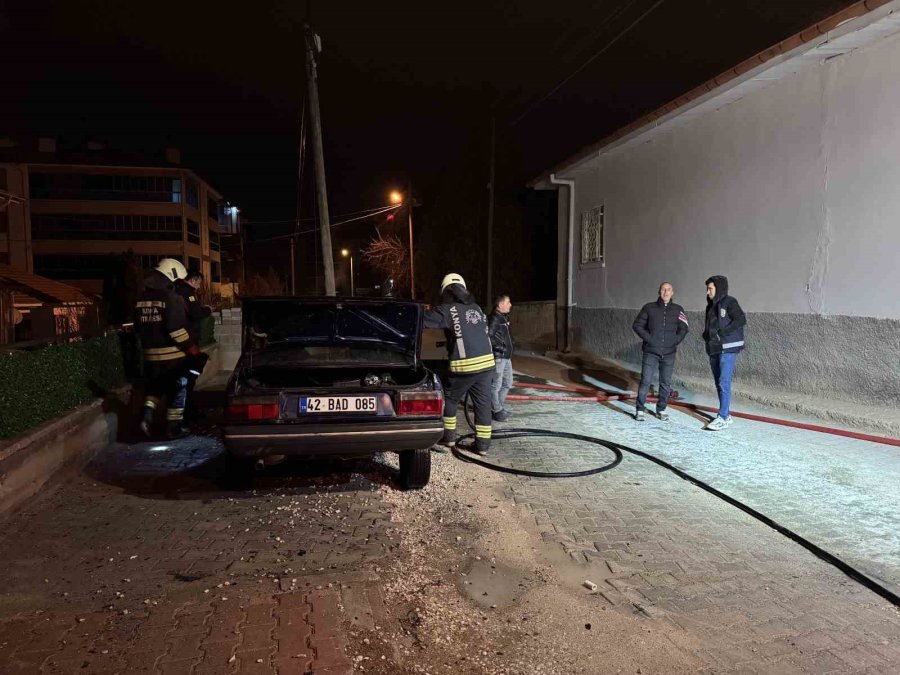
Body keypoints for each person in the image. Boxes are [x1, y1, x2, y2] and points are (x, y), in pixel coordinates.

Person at [424, 273, 495, 454]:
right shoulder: (477, 308)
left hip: (464, 366)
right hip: (487, 364)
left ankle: (448, 439)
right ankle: (483, 446)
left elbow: (424, 322)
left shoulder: (447, 309)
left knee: (450, 398)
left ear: (446, 291)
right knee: (483, 404)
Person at [135, 258, 201, 439]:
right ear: (170, 275)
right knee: (178, 389)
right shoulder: (169, 298)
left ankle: (146, 416)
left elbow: (137, 328)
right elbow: (176, 329)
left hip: (150, 357)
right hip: (172, 357)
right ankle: (174, 428)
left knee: (154, 389)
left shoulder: (141, 298)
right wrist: (190, 347)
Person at [631, 282, 689, 421]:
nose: (666, 292)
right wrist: (649, 339)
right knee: (646, 380)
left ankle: (661, 409)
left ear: (672, 292)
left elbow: (684, 328)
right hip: (651, 351)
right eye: (663, 289)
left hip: (669, 353)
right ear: (659, 292)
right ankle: (640, 409)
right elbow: (637, 325)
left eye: (668, 289)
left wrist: (675, 340)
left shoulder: (678, 310)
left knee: (665, 383)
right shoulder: (649, 308)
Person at [702, 275, 746, 431]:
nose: (707, 292)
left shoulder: (730, 302)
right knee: (718, 382)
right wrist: (706, 335)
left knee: (723, 382)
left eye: (710, 289)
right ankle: (726, 414)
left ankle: (723, 417)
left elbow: (740, 319)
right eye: (707, 289)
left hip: (727, 348)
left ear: (718, 288)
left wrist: (723, 332)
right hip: (714, 348)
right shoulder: (710, 306)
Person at [174, 269, 212, 423]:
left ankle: (187, 412)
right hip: (188, 342)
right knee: (189, 377)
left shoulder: (177, 291)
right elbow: (195, 313)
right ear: (194, 280)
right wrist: (207, 310)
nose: (199, 286)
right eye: (199, 282)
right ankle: (188, 414)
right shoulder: (187, 293)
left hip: (182, 341)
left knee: (185, 378)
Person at [487, 294, 514, 422]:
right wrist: (499, 349)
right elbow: (488, 337)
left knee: (508, 383)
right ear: (500, 305)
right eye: (508, 302)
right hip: (500, 357)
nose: (510, 304)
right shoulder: (494, 319)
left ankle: (498, 408)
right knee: (496, 385)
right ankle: (496, 410)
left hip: (506, 357)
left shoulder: (502, 317)